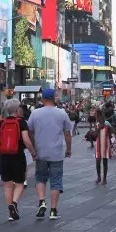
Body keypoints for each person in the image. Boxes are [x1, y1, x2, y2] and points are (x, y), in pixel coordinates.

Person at [28, 89, 73, 220]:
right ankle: (53, 210)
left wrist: (33, 146)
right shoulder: (61, 113)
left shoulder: (35, 113)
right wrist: (68, 149)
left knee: (40, 178)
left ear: (42, 99)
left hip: (40, 152)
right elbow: (67, 134)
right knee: (56, 181)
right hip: (57, 153)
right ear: (54, 98)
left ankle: (42, 201)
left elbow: (29, 131)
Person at [0, 99, 36, 221]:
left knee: (8, 185)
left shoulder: (1, 123)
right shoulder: (21, 122)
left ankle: (11, 214)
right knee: (19, 183)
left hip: (3, 157)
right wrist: (33, 153)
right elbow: (26, 140)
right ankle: (14, 204)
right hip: (17, 156)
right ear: (17, 110)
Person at [94, 118, 112, 185]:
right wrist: (98, 129)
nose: (101, 120)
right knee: (98, 161)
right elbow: (94, 135)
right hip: (98, 145)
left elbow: (110, 135)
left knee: (105, 162)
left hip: (105, 145)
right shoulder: (97, 125)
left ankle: (104, 179)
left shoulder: (107, 125)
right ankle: (99, 177)